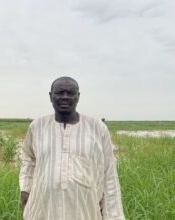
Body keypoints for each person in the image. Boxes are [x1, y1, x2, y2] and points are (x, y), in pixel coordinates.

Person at [19, 76, 125, 220]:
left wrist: (113, 215)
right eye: (59, 92)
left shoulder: (97, 128)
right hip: (43, 209)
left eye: (70, 93)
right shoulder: (37, 127)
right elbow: (28, 159)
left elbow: (109, 173)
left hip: (85, 210)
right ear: (50, 96)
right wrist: (25, 189)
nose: (65, 97)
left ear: (78, 97)